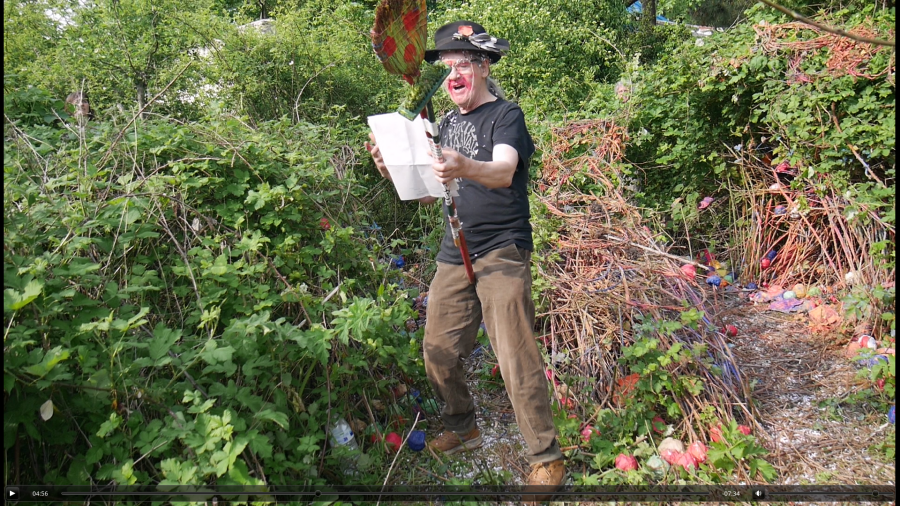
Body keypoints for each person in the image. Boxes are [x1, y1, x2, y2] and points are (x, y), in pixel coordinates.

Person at [365, 20, 565, 502]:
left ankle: (546, 458)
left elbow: (502, 171)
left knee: (515, 354)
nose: (453, 74)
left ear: (484, 67)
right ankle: (463, 428)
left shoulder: (505, 115)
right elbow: (430, 193)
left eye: (462, 65)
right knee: (438, 349)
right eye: (446, 67)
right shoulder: (445, 124)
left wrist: (464, 165)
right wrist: (393, 170)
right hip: (455, 251)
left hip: (502, 249)